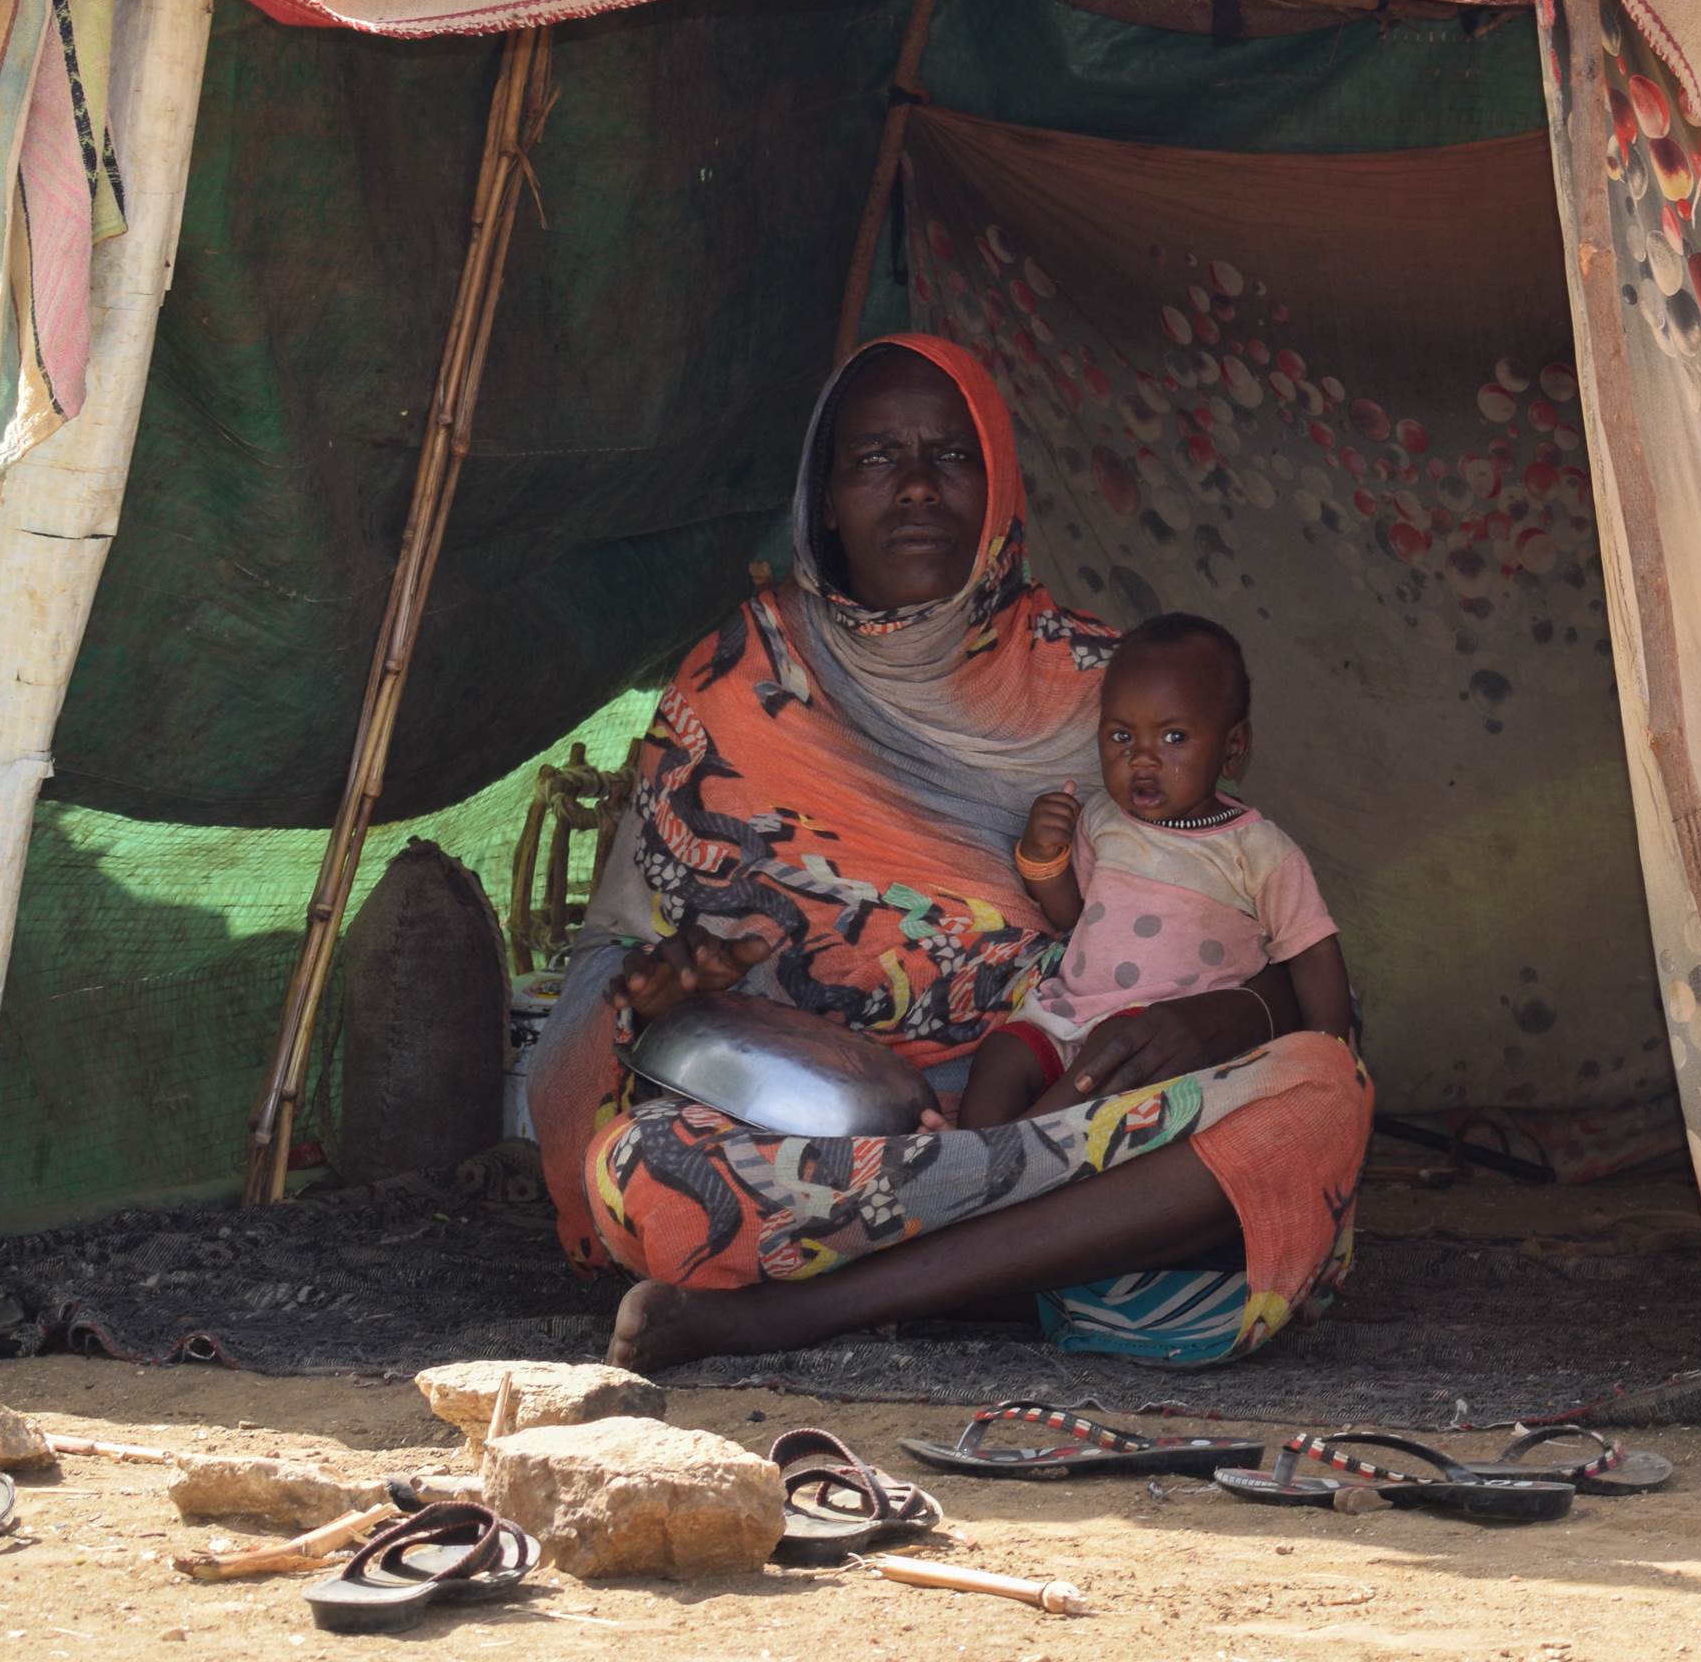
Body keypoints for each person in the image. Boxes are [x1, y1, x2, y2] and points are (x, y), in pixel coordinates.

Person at [520, 334, 1372, 1373]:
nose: (917, 489)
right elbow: (617, 964)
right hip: (850, 1146)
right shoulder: (733, 689)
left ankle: (796, 1313)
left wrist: (1225, 1015)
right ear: (825, 498)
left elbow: (1250, 927)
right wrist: (653, 996)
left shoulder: (1107, 695)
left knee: (1316, 1095)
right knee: (649, 1171)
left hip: (1081, 1112)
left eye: (952, 458)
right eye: (875, 458)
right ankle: (1039, 1266)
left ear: (1002, 486)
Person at [964, 615, 1350, 1128]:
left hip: (1159, 1043)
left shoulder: (1257, 850)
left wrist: (1328, 1053)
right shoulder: (1102, 819)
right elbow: (1070, 913)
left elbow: (1312, 951)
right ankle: (973, 1149)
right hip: (1069, 1014)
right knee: (1003, 1055)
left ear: (1232, 749)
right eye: (1121, 735)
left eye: (1174, 736)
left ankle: (1014, 1154)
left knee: (1116, 1046)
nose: (1141, 759)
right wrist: (1042, 854)